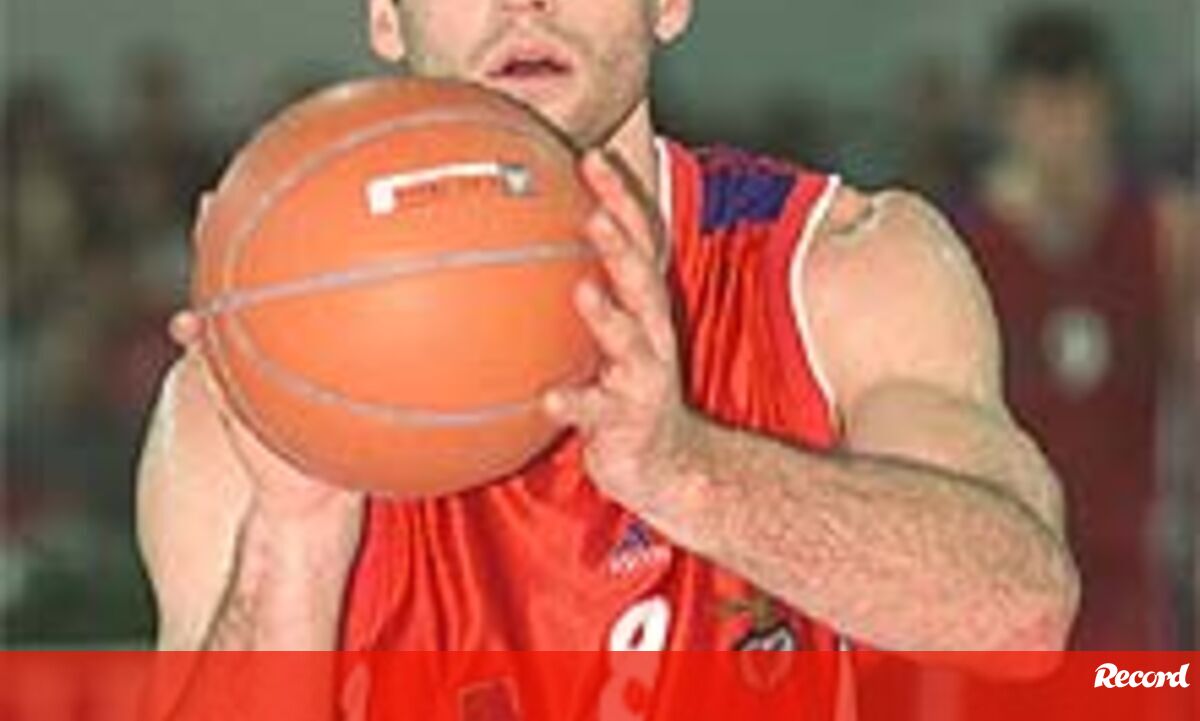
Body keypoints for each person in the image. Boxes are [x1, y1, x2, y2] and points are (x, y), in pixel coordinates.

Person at [136, 0, 1079, 699]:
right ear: (386, 13)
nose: (525, 3)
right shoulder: (267, 382)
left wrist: (686, 472)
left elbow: (1022, 616)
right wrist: (295, 542)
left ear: (667, 3)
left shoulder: (837, 268)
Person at [950, 8, 1193, 650]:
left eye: (1074, 109)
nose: (1059, 131)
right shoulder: (959, 247)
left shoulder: (1168, 235)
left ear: (1107, 110)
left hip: (1131, 574)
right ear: (1006, 115)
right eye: (1041, 110)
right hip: (1005, 568)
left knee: (1137, 691)